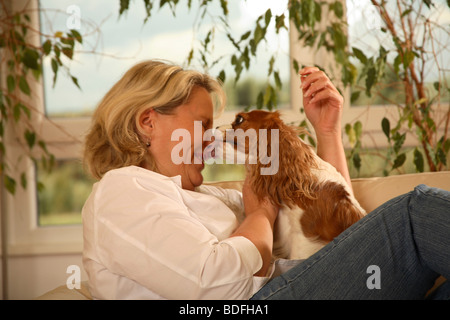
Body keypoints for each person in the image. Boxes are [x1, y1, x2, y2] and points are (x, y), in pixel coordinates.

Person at [82, 59, 450, 300]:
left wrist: (327, 132)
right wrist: (259, 214)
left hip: (295, 286)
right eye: (203, 125)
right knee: (412, 215)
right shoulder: (122, 190)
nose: (214, 138)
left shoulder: (210, 196)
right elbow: (214, 283)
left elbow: (334, 227)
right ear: (148, 122)